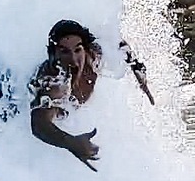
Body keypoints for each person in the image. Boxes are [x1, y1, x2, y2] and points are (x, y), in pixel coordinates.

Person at [28, 19, 154, 170]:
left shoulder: (94, 56)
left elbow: (119, 45)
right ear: (53, 54)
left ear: (85, 49)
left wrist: (138, 70)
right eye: (64, 51)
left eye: (77, 50)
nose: (73, 59)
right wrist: (71, 143)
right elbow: (39, 124)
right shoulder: (53, 82)